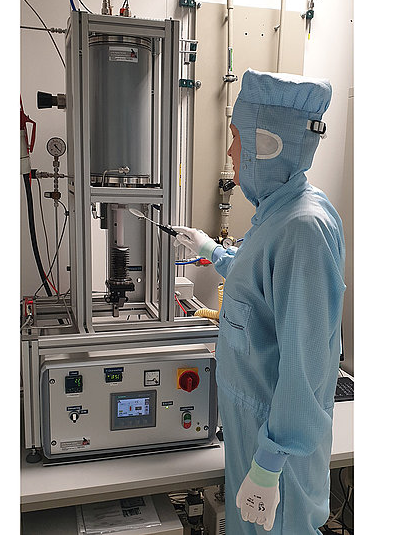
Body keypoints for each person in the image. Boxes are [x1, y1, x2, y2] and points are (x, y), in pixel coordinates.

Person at [173, 69, 346, 534]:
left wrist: (270, 464)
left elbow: (305, 366)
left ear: (266, 143)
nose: (231, 153)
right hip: (255, 436)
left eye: (235, 139)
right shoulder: (279, 213)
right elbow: (259, 287)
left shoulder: (303, 228)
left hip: (279, 457)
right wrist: (211, 250)